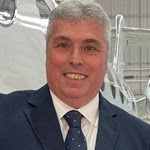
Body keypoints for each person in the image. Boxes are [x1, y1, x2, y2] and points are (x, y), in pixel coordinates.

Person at [0, 0, 150, 150]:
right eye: (63, 45)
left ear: (106, 60)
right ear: (47, 52)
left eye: (89, 48)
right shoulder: (4, 117)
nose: (75, 59)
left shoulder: (143, 139)